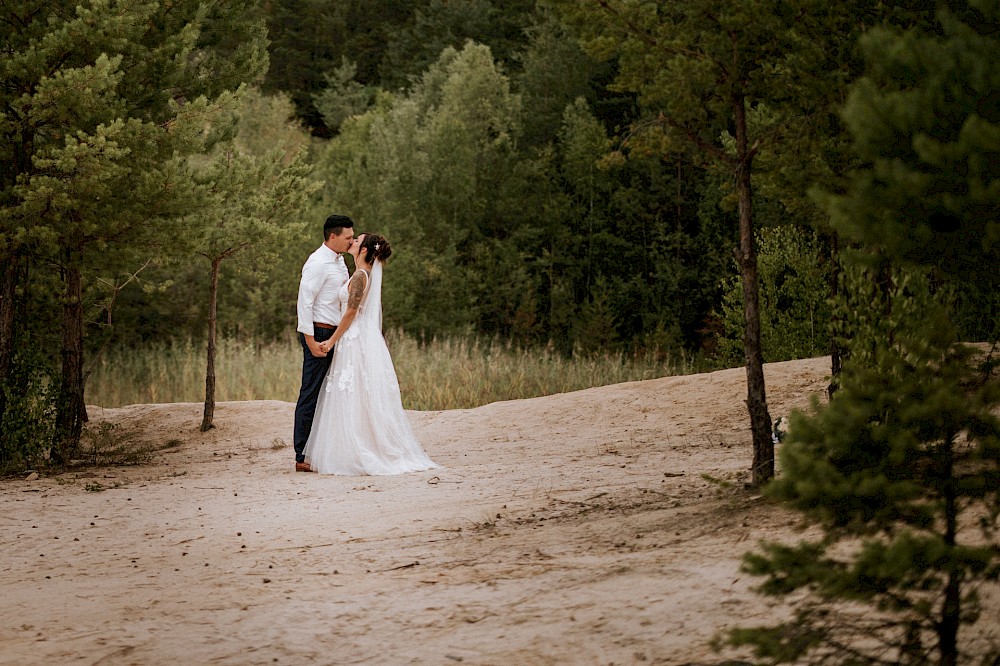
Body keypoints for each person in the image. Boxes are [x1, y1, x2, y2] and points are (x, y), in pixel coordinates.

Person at [302, 233, 439, 475]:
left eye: (357, 240)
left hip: (353, 339)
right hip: (355, 338)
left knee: (354, 394)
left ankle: (358, 449)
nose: (352, 242)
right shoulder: (359, 273)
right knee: (355, 394)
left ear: (364, 250)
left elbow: (351, 313)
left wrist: (331, 341)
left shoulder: (359, 276)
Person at [293, 214, 355, 472]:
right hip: (318, 333)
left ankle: (321, 448)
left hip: (333, 333)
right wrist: (310, 340)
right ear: (333, 236)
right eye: (348, 237)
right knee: (311, 391)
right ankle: (301, 454)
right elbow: (304, 301)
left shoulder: (339, 262)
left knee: (329, 393)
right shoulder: (317, 262)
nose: (351, 241)